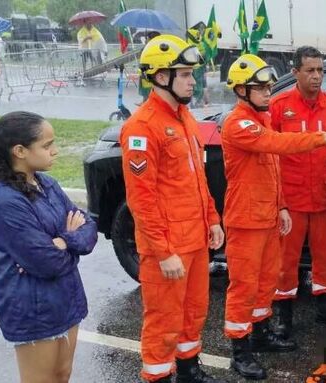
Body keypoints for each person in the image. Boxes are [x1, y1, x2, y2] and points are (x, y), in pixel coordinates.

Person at [221, 53, 326, 380]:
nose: (269, 92)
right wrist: (323, 138)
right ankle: (239, 352)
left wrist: (280, 205)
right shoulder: (239, 123)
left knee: (266, 280)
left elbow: (271, 170)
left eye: (269, 87)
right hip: (246, 218)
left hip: (269, 214)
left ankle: (260, 334)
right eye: (261, 88)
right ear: (242, 91)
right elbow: (279, 145)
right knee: (244, 286)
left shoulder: (261, 118)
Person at [120, 34, 225, 383]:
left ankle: (189, 370)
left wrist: (212, 220)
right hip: (166, 248)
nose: (192, 81)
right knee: (164, 320)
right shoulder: (142, 127)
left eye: (191, 74)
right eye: (185, 74)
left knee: (194, 312)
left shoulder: (185, 118)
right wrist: (164, 252)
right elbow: (141, 199)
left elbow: (198, 179)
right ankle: (158, 377)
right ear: (161, 76)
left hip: (194, 239)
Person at [0, 111, 98, 383]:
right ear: (20, 151)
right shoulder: (5, 200)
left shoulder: (47, 183)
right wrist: (68, 241)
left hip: (67, 298)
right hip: (33, 308)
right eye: (46, 145)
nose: (55, 150)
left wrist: (64, 241)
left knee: (62, 375)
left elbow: (89, 228)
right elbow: (46, 262)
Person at [269, 46, 326, 337]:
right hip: (291, 199)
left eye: (320, 70)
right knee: (286, 261)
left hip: (323, 196)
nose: (317, 76)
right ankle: (282, 315)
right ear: (295, 72)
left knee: (325, 257)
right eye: (310, 70)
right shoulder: (279, 105)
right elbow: (267, 147)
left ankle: (325, 309)